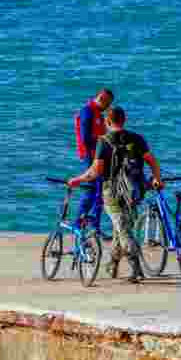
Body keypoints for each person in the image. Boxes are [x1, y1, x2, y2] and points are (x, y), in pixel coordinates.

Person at [68, 106, 162, 283]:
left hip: (111, 192)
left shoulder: (104, 141)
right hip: (134, 191)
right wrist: (157, 178)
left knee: (123, 229)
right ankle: (112, 263)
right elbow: (152, 161)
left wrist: (77, 180)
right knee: (121, 226)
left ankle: (136, 269)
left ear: (108, 121)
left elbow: (95, 171)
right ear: (124, 120)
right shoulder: (137, 138)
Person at [74, 88, 112, 232]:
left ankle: (95, 227)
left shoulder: (98, 114)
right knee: (92, 190)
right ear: (101, 98)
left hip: (98, 156)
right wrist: (104, 140)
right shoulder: (87, 111)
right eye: (107, 103)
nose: (108, 107)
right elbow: (85, 138)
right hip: (90, 156)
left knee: (99, 192)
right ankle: (78, 224)